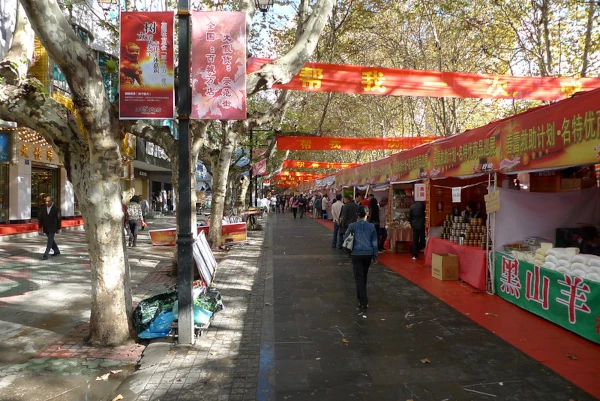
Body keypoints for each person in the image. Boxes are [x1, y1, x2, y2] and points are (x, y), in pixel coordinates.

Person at [343, 205, 378, 310]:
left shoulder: (352, 226)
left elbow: (345, 238)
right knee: (364, 275)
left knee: (358, 276)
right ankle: (361, 297)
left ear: (357, 215)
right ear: (367, 214)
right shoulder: (371, 226)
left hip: (356, 253)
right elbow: (374, 242)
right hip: (368, 254)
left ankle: (362, 300)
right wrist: (375, 256)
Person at [38, 196, 62, 260]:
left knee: (49, 241)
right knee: (51, 240)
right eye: (46, 201)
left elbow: (59, 219)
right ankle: (56, 251)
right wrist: (40, 227)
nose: (46, 202)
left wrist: (58, 228)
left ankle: (46, 254)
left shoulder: (57, 209)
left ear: (52, 201)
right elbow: (40, 219)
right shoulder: (43, 209)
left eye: (48, 201)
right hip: (46, 227)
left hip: (53, 227)